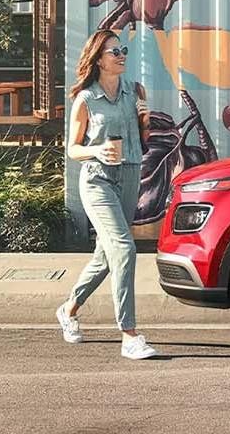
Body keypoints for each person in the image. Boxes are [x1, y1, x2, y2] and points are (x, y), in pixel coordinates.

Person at [55, 30, 157, 360]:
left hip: (129, 175)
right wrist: (97, 150)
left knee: (106, 254)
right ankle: (129, 334)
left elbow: (144, 141)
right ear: (99, 59)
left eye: (123, 50)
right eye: (115, 52)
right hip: (98, 181)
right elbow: (72, 149)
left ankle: (68, 309)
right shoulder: (86, 99)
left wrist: (145, 120)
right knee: (124, 248)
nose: (121, 55)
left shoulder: (135, 91)